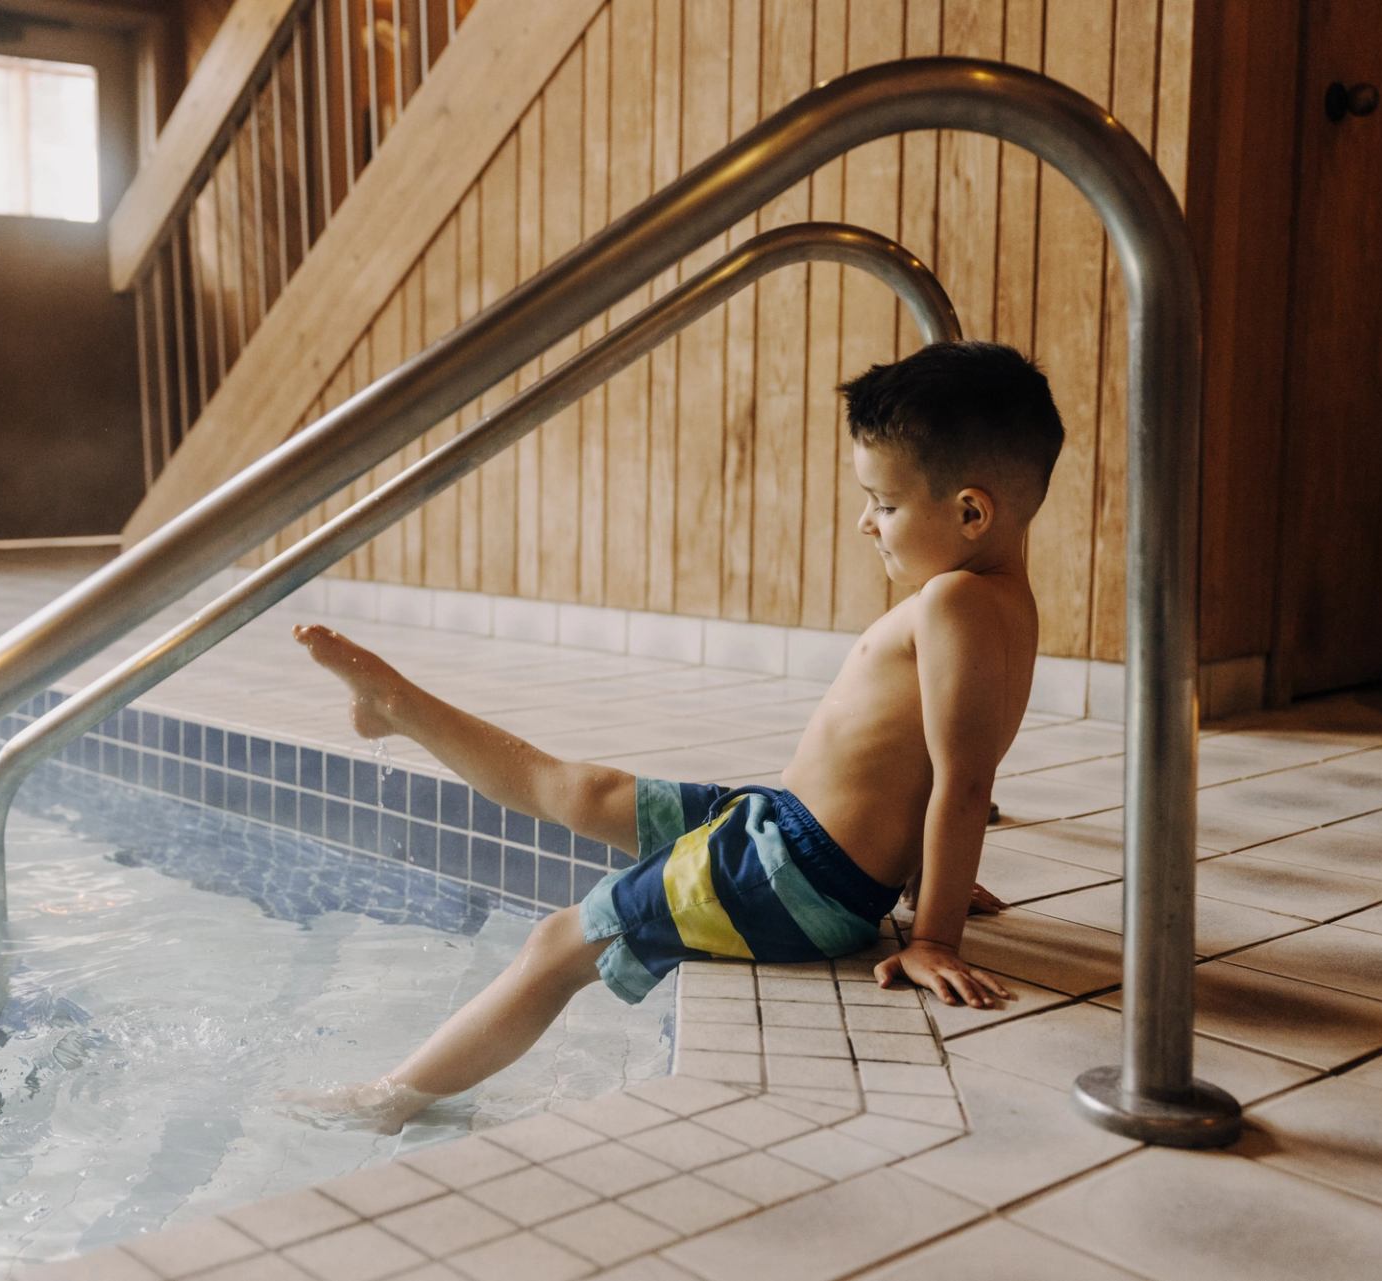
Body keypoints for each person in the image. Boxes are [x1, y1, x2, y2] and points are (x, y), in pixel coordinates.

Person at [289, 341, 1064, 1132]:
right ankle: (395, 705)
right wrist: (927, 868)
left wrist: (934, 933)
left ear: (971, 511)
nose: (866, 521)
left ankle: (390, 1100)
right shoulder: (993, 600)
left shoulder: (956, 607)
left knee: (562, 941)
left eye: (885, 503)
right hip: (783, 831)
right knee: (579, 789)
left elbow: (966, 780)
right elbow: (935, 767)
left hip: (799, 874)